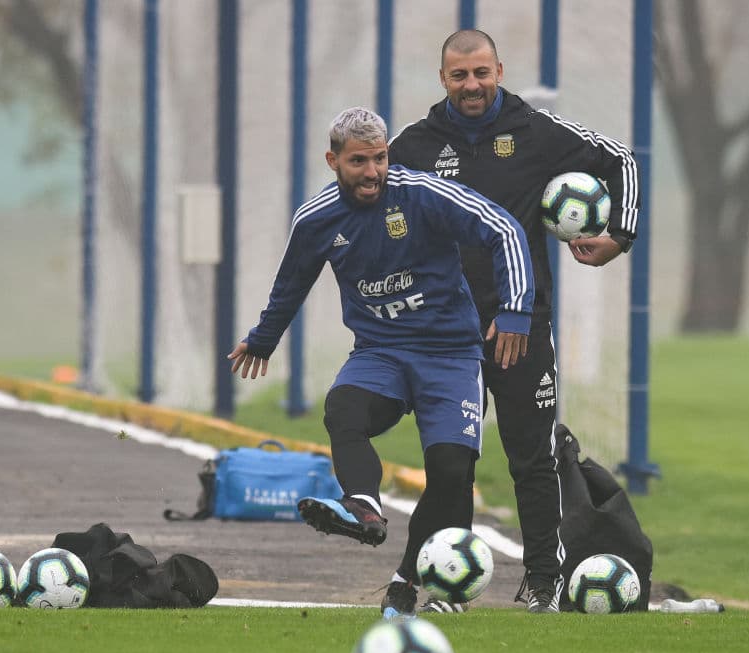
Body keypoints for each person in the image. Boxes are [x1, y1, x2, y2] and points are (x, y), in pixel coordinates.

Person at [228, 106, 534, 620]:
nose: (373, 172)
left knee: (451, 470)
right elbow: (292, 283)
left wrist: (516, 311)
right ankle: (363, 506)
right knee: (343, 409)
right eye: (359, 161)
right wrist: (263, 339)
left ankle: (414, 585)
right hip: (380, 352)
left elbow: (503, 229)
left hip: (451, 354)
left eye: (380, 158)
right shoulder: (316, 219)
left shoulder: (423, 195)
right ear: (333, 161)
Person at [387, 29, 640, 614]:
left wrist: (620, 236)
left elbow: (621, 159)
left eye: (482, 72)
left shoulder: (537, 132)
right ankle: (439, 583)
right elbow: (371, 206)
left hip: (522, 325)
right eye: (459, 75)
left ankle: (543, 583)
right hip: (445, 335)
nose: (472, 85)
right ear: (443, 79)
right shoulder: (414, 146)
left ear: (499, 71)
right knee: (452, 463)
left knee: (532, 457)